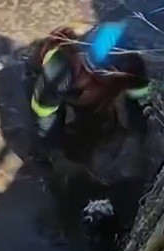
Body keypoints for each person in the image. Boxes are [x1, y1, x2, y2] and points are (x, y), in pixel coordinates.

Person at [28, 21, 153, 153]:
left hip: (88, 97)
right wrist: (55, 152)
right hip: (58, 88)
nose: (88, 79)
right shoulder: (58, 68)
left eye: (97, 76)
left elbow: (138, 102)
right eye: (85, 70)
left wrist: (135, 137)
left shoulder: (132, 65)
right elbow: (43, 113)